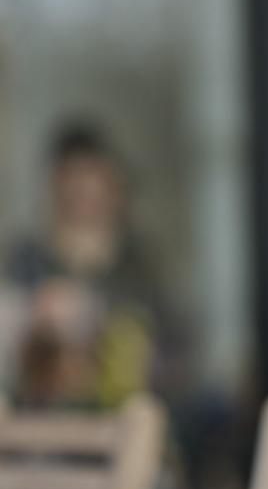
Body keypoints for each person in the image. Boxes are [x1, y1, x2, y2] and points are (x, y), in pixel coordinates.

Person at [2, 120, 192, 410]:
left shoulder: (139, 267)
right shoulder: (28, 260)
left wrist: (95, 317)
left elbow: (173, 358)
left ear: (115, 194)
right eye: (73, 193)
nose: (84, 204)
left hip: (121, 418)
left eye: (92, 191)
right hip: (43, 427)